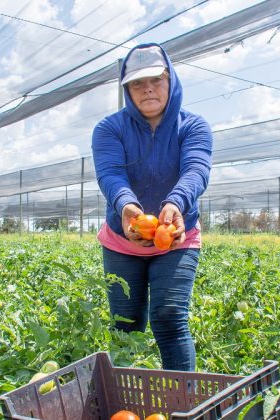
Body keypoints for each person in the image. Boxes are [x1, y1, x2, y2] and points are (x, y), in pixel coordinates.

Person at [91, 43, 213, 371]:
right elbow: (110, 173)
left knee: (170, 317)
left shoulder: (194, 126)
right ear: (127, 89)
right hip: (122, 240)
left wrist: (175, 202)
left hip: (175, 236)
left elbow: (196, 169)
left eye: (156, 80)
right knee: (125, 324)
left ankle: (181, 400)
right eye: (136, 83)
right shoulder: (109, 129)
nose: (147, 89)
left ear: (171, 80)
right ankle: (125, 399)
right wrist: (127, 208)